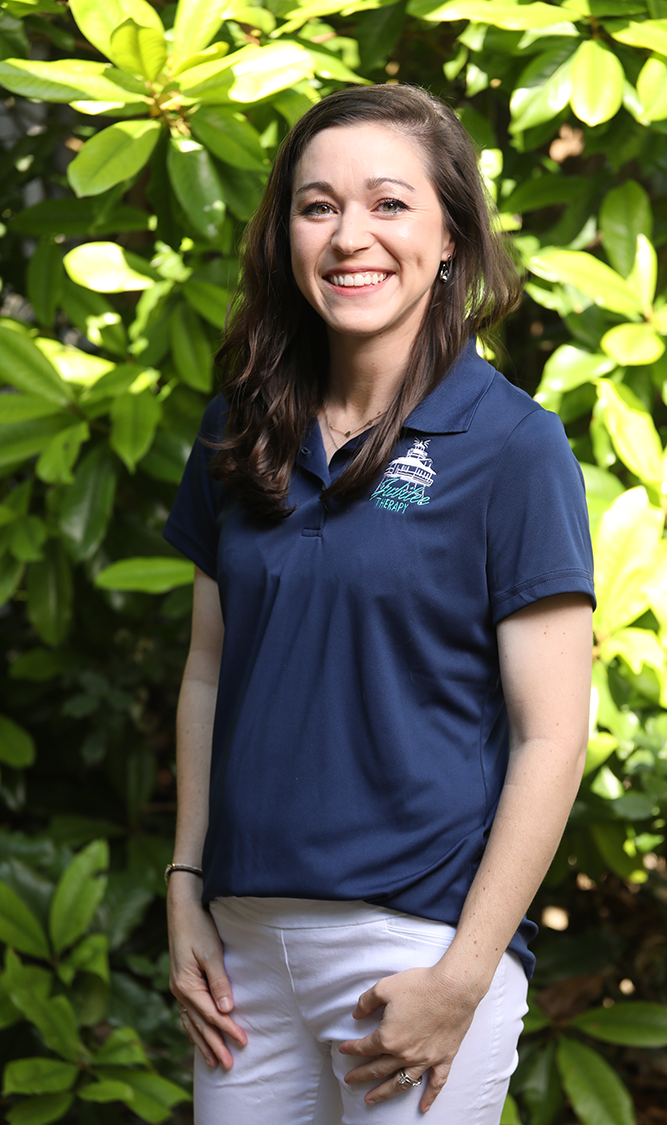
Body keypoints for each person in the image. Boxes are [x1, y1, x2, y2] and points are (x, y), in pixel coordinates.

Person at [163, 84, 595, 1125]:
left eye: (390, 204)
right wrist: (185, 882)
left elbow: (553, 734)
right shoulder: (240, 429)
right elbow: (209, 672)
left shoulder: (514, 448)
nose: (351, 235)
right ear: (287, 235)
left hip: (418, 947)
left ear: (450, 236)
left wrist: (464, 975)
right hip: (242, 957)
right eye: (318, 207)